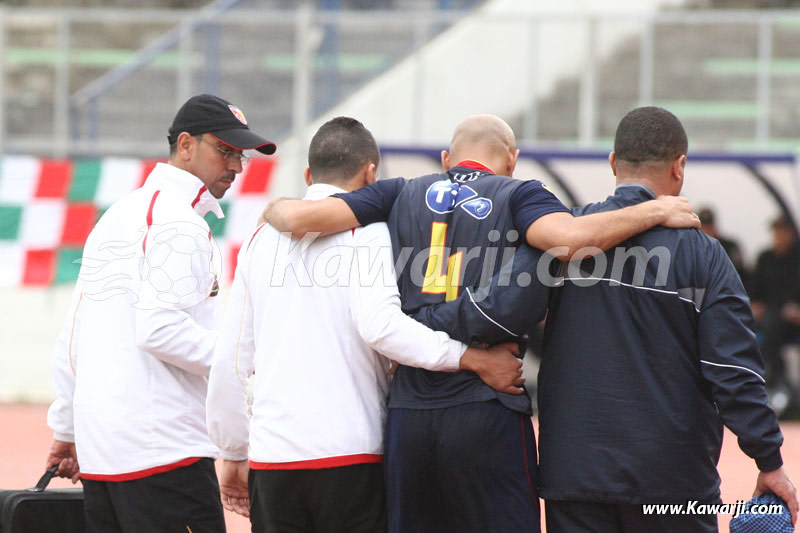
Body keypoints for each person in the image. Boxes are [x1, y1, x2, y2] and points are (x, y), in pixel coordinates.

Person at [261, 114, 700, 532]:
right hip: (485, 407)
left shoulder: (398, 191)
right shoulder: (521, 194)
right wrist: (654, 211)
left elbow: (297, 220)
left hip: (409, 415)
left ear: (446, 159)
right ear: (511, 160)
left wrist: (272, 207)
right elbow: (569, 242)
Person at [415, 106, 798, 532]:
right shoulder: (705, 255)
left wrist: (421, 325)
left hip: (574, 480)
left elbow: (493, 312)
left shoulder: (560, 236)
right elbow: (733, 371)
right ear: (680, 167)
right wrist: (769, 460)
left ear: (614, 163)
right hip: (673, 487)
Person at [205, 116, 524, 532]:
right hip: (351, 457)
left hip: (273, 460)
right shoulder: (371, 231)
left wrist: (232, 451)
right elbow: (382, 328)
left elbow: (230, 359)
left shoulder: (258, 241)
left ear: (307, 174)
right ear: (371, 174)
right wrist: (470, 359)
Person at [45, 93, 276, 532]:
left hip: (103, 459)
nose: (236, 167)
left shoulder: (118, 215)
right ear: (185, 145)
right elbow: (160, 331)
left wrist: (67, 427)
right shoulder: (180, 224)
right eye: (225, 151)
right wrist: (243, 358)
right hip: (166, 458)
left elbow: (73, 337)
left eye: (241, 155)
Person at [751, 215, 800, 399]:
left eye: (784, 231)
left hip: (793, 317)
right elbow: (754, 293)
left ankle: (777, 380)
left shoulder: (796, 260)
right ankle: (767, 379)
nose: (780, 236)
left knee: (772, 325)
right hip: (769, 315)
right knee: (765, 325)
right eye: (777, 231)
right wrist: (755, 307)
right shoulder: (765, 258)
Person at [698, 206, 749, 290]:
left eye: (709, 226)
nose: (707, 230)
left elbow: (740, 273)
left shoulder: (730, 246)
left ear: (714, 225)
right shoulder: (693, 248)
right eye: (704, 226)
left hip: (728, 291)